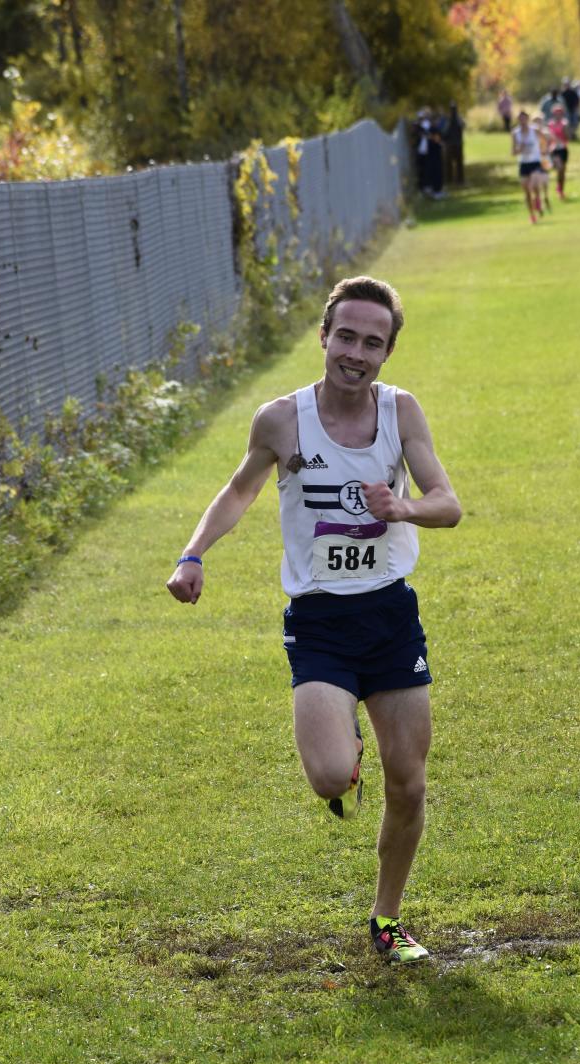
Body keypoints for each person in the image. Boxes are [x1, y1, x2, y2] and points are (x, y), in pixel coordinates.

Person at [166, 276, 462, 964]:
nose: (357, 352)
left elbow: (447, 502)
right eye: (347, 336)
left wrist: (405, 508)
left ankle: (387, 920)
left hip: (390, 612)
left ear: (387, 351)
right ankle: (345, 751)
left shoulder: (401, 411)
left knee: (410, 781)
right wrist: (193, 556)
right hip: (320, 619)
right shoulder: (281, 420)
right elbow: (240, 490)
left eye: (374, 342)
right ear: (324, 336)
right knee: (331, 777)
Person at [512, 109, 545, 223]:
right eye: (520, 118)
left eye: (524, 118)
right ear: (518, 120)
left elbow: (545, 139)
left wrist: (544, 150)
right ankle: (532, 215)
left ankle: (538, 201)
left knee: (533, 186)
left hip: (535, 162)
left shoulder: (534, 130)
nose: (522, 120)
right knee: (526, 192)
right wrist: (519, 149)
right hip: (523, 163)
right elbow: (513, 152)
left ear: (527, 118)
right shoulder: (515, 133)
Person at [547, 103, 570, 198]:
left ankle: (561, 189)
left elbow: (568, 137)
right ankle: (559, 187)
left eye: (560, 113)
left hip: (563, 149)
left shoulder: (565, 123)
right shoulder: (550, 124)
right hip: (554, 149)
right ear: (554, 114)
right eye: (556, 113)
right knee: (559, 168)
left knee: (562, 172)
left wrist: (565, 130)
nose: (558, 115)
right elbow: (548, 137)